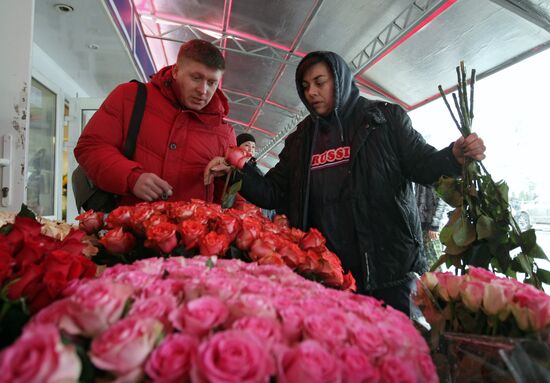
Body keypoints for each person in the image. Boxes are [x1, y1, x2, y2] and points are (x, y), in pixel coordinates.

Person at [205, 51, 486, 316]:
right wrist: (241, 169)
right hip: (326, 273)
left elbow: (422, 165)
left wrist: (453, 157)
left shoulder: (384, 120)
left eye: (319, 82)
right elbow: (274, 192)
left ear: (339, 79)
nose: (311, 92)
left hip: (385, 270)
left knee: (391, 352)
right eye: (305, 86)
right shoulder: (302, 138)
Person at [74, 39, 235, 207]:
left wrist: (230, 176)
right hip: (127, 228)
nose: (203, 90)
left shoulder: (224, 132)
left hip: (191, 231)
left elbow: (230, 202)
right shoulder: (130, 97)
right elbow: (91, 147)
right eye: (196, 78)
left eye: (212, 83)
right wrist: (131, 178)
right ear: (175, 71)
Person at [415, 183, 448, 269]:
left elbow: (444, 200)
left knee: (436, 264)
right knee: (425, 265)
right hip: (420, 223)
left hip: (434, 226)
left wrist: (435, 225)